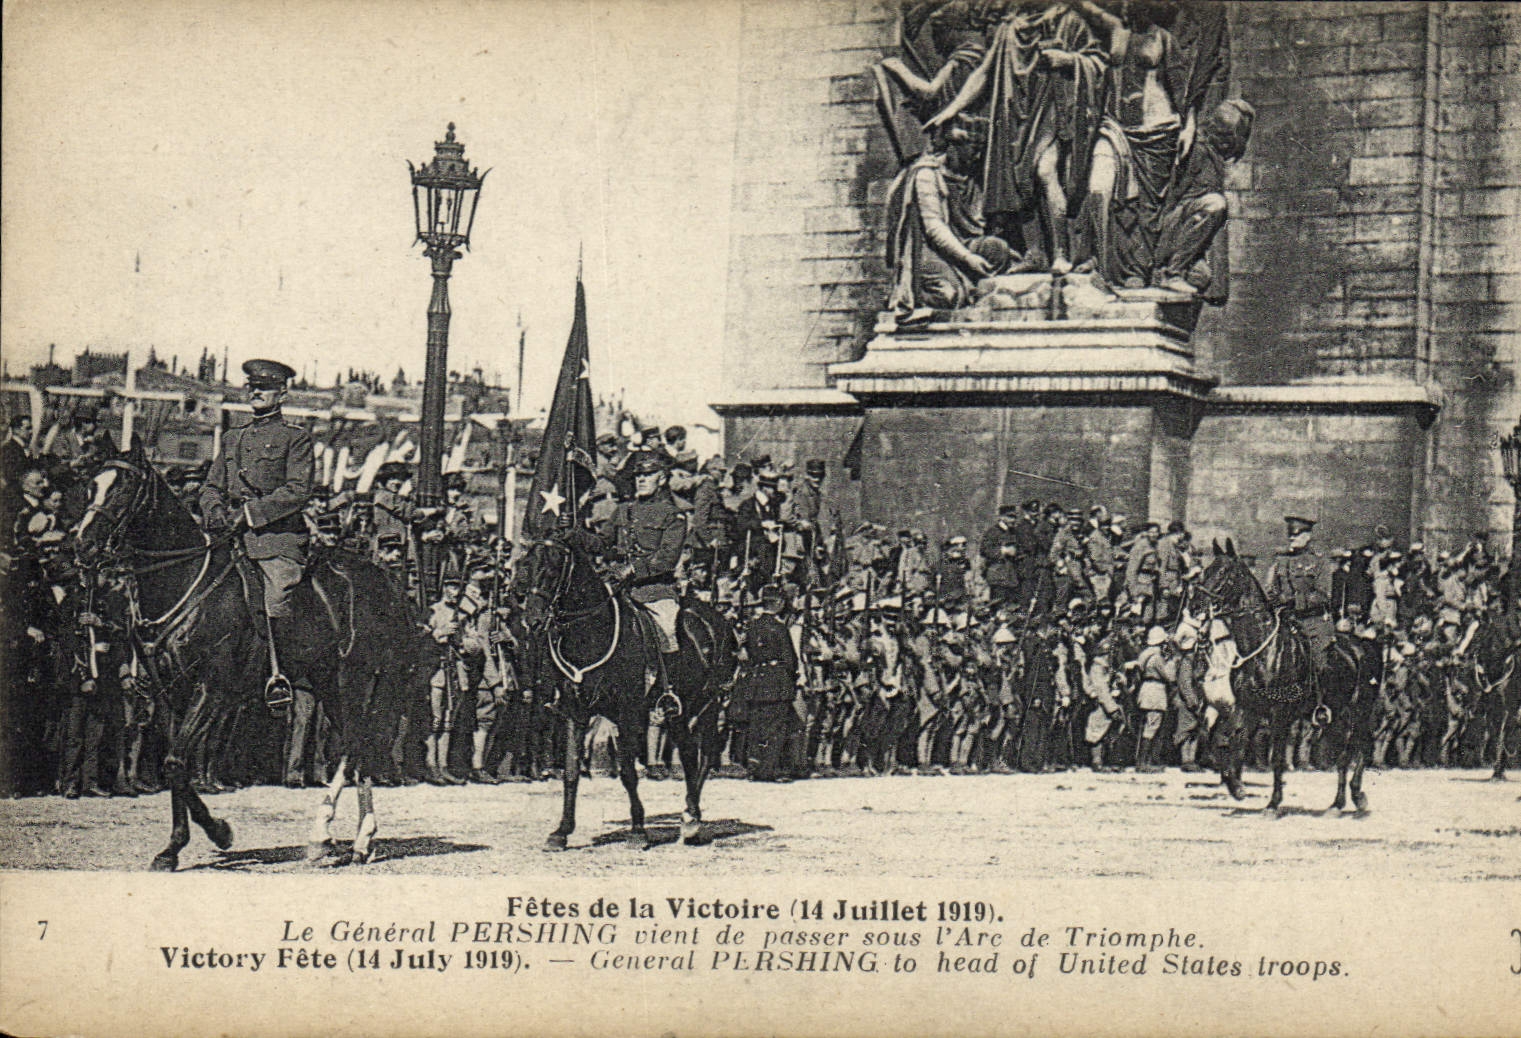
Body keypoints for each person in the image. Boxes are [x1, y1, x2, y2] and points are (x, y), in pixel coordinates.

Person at [201, 359, 313, 709]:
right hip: (228, 537)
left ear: (282, 393)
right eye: (252, 386)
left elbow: (297, 491)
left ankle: (281, 674)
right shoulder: (233, 437)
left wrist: (249, 515)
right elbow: (210, 486)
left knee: (277, 598)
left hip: (274, 542)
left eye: (264, 387)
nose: (256, 392)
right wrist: (215, 510)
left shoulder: (296, 439)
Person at [606, 451, 687, 717]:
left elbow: (666, 559)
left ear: (661, 479)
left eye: (647, 475)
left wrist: (633, 569)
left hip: (653, 593)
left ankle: (668, 690)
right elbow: (603, 543)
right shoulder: (623, 511)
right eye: (638, 475)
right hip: (617, 590)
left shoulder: (673, 515)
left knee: (667, 631)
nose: (641, 479)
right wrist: (575, 532)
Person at [736, 583, 800, 781]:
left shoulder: (752, 626)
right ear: (779, 603)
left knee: (756, 726)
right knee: (775, 727)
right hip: (776, 680)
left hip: (756, 680)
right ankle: (768, 769)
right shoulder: (779, 628)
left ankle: (753, 767)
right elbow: (790, 660)